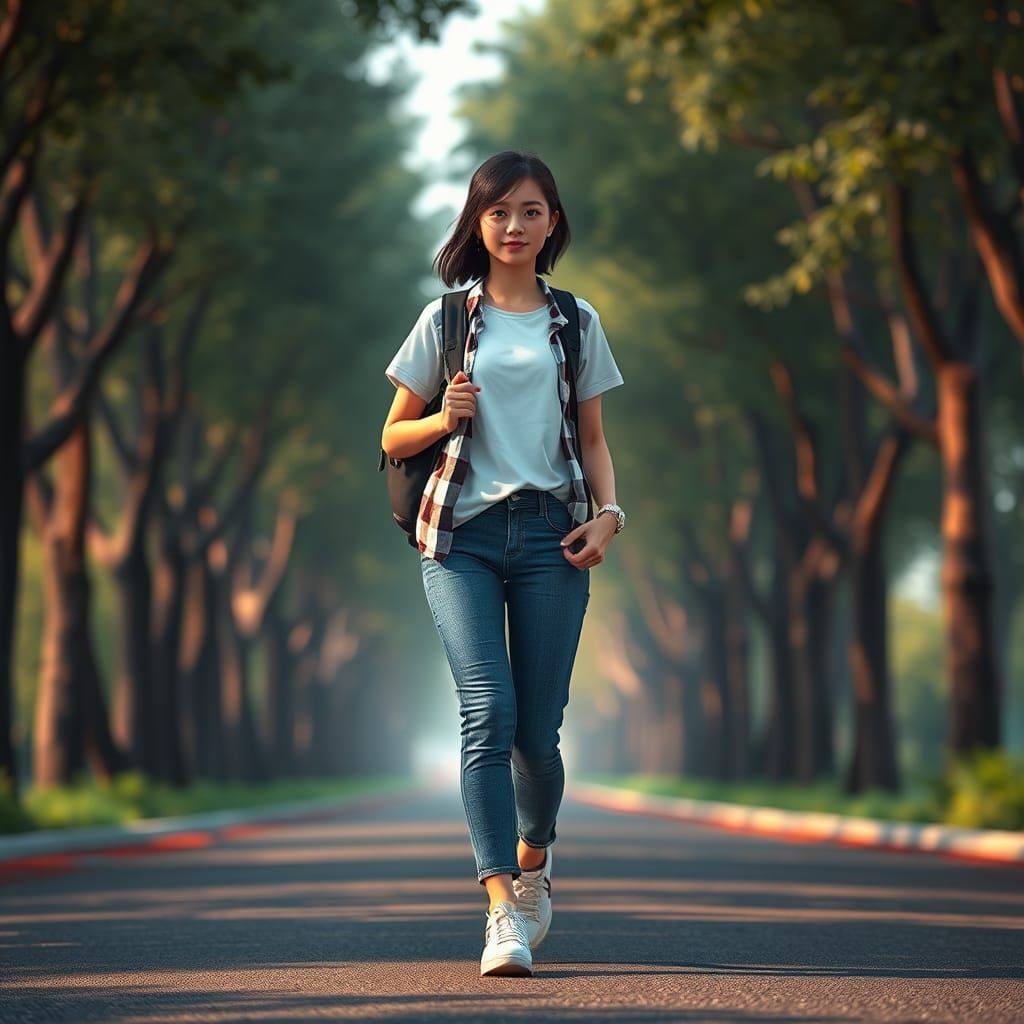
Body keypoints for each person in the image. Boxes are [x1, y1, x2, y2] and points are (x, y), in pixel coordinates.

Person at [380, 150, 625, 977]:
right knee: (486, 709)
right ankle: (499, 912)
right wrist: (443, 417)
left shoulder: (577, 322)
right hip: (462, 539)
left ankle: (534, 859)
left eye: (531, 211)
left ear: (553, 221)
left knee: (536, 732)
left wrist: (609, 516)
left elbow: (592, 441)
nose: (514, 227)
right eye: (499, 213)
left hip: (554, 538)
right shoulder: (444, 320)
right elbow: (391, 437)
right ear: (476, 223)